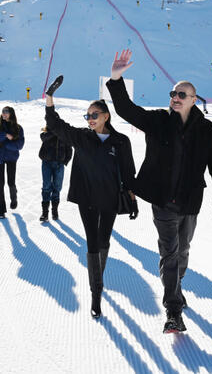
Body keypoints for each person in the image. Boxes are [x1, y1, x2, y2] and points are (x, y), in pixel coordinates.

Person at [106, 49, 212, 334]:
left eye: (181, 95)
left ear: (193, 100)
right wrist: (116, 78)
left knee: (183, 251)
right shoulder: (159, 121)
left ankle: (175, 287)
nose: (174, 97)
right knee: (170, 254)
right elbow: (126, 109)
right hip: (162, 200)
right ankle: (173, 310)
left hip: (190, 202)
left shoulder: (207, 130)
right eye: (173, 93)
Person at [45, 77, 137, 319]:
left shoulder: (121, 142)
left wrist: (132, 196)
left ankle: (98, 277)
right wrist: (50, 101)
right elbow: (56, 126)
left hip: (109, 199)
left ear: (106, 115)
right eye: (87, 116)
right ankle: (96, 293)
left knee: (104, 241)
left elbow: (129, 172)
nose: (90, 119)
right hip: (87, 198)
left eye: (94, 114)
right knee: (92, 243)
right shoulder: (83, 138)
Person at [0, 106, 25, 218]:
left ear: (11, 114)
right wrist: (4, 135)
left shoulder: (18, 128)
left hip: (11, 158)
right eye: (3, 112)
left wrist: (8, 143)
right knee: (0, 183)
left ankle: (14, 198)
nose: (4, 114)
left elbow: (20, 145)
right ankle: (1, 210)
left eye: (6, 112)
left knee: (11, 182)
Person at [38, 126, 72, 221]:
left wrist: (65, 161)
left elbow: (69, 149)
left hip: (59, 164)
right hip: (46, 163)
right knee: (46, 186)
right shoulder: (46, 133)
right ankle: (45, 213)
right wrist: (54, 131)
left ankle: (55, 211)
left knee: (57, 187)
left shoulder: (64, 134)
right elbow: (43, 138)